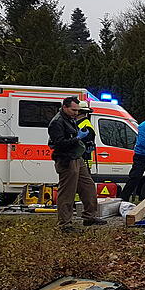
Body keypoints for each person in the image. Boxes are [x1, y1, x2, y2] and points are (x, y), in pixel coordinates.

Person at [47, 97, 105, 232]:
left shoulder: (69, 118)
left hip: (76, 157)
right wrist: (77, 138)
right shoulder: (57, 122)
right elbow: (59, 143)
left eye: (77, 110)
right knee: (67, 192)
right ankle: (64, 224)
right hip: (66, 159)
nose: (76, 113)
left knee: (88, 187)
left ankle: (89, 216)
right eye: (73, 110)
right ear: (64, 107)